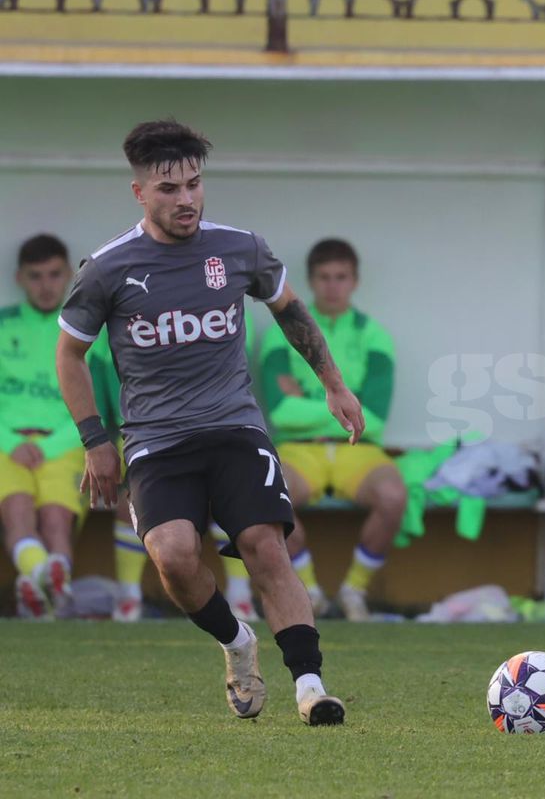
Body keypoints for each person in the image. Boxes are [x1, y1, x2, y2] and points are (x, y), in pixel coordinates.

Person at [56, 119, 364, 725]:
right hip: (155, 440)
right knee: (172, 556)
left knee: (265, 546)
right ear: (140, 193)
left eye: (194, 184)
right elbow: (69, 354)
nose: (187, 199)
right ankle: (236, 642)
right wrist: (95, 440)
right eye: (169, 189)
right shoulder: (107, 269)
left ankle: (310, 685)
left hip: (233, 428)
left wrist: (334, 384)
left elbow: (290, 311)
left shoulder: (240, 248)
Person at [259, 237, 404, 622]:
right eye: (324, 277)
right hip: (297, 448)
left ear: (354, 281)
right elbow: (279, 412)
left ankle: (354, 591)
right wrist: (343, 401)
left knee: (392, 496)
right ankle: (311, 594)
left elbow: (373, 414)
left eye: (341, 277)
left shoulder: (375, 335)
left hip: (358, 447)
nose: (332, 286)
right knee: (270, 500)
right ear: (310, 281)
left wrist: (307, 401)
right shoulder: (280, 332)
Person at [90, 316, 264, 623]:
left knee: (226, 499)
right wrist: (97, 445)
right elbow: (102, 408)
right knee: (129, 503)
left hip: (216, 432)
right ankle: (129, 597)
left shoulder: (224, 317)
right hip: (144, 439)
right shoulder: (106, 343)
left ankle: (241, 596)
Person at [2, 234, 85, 619]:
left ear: (68, 273)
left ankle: (37, 589)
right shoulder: (2, 325)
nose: (46, 285)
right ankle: (50, 588)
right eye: (36, 276)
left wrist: (50, 448)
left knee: (55, 522)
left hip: (64, 445)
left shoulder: (84, 330)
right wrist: (9, 441)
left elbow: (98, 404)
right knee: (17, 511)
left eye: (54, 275)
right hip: (6, 446)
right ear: (19, 278)